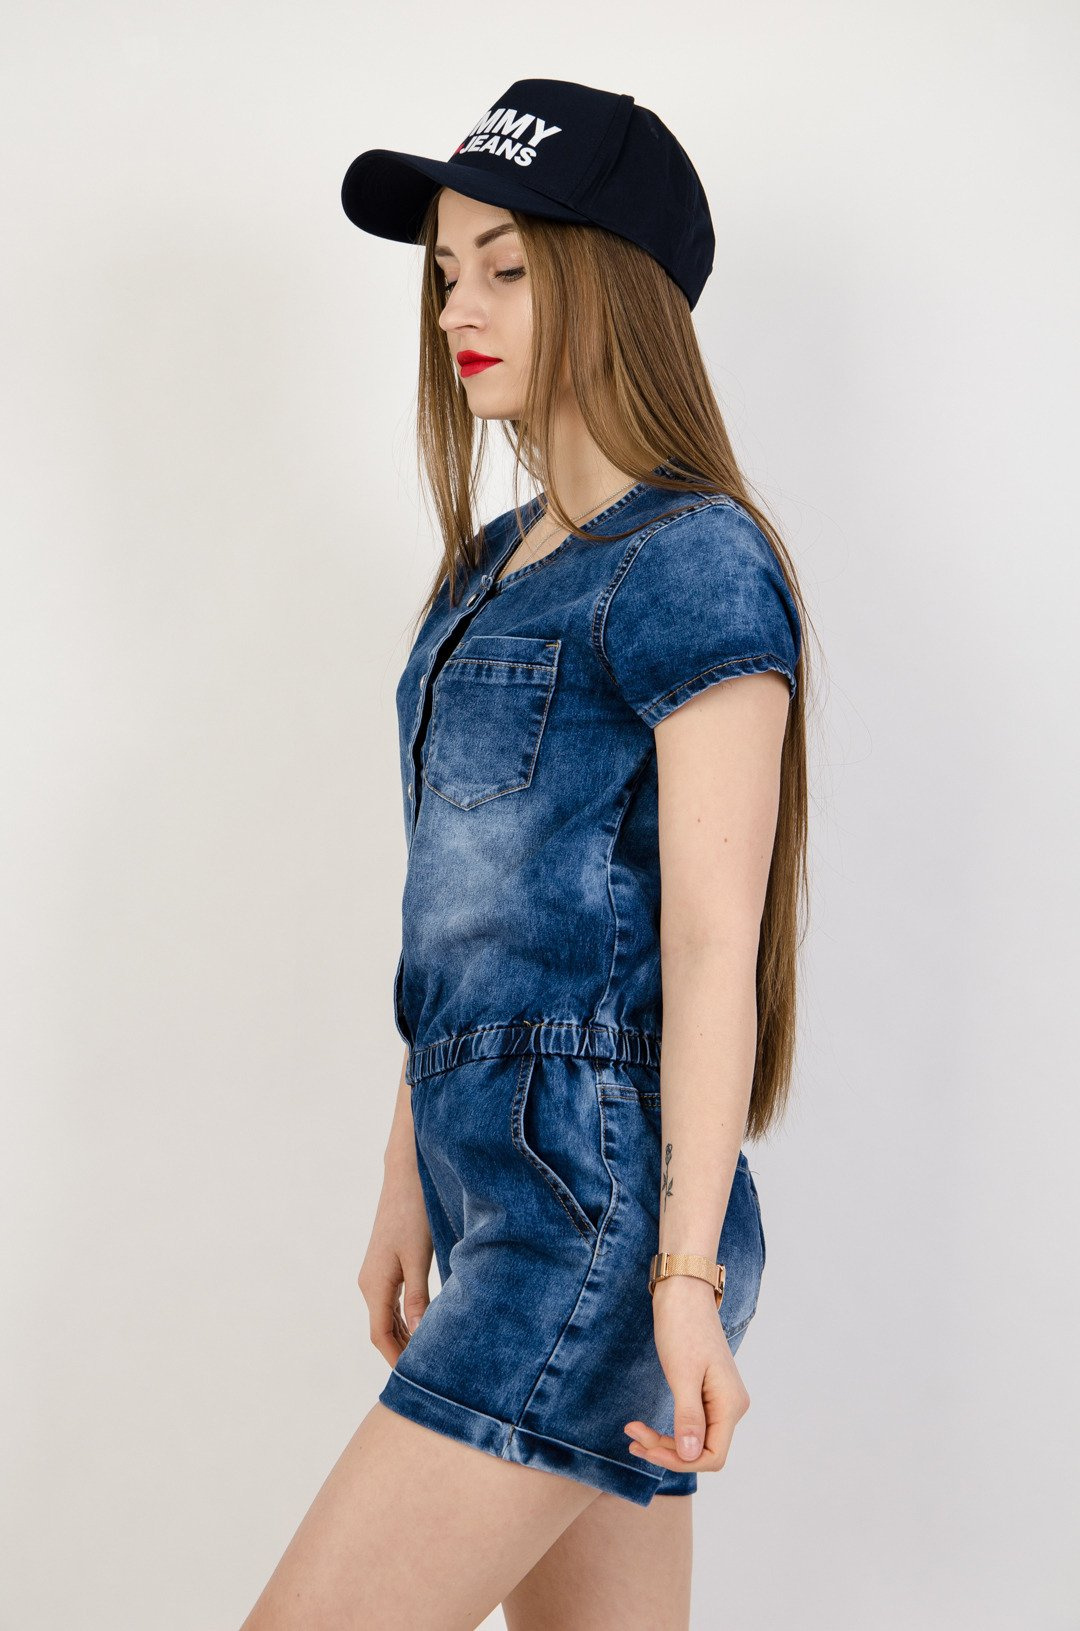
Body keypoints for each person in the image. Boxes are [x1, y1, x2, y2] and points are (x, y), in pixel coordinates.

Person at [239, 78, 812, 1631]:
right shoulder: (486, 573)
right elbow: (463, 915)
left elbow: (711, 941)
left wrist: (685, 1282)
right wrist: (405, 1173)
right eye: (445, 272)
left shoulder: (693, 560)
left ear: (612, 287)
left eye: (504, 267)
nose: (456, 311)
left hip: (597, 1216)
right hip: (493, 1188)